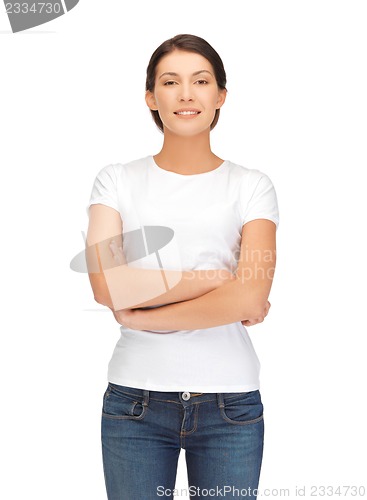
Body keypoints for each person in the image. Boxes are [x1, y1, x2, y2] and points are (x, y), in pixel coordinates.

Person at [85, 33, 279, 500]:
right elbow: (108, 284)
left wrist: (142, 314)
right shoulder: (116, 181)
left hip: (230, 404)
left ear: (221, 95)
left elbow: (250, 296)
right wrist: (215, 282)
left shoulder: (251, 186)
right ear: (152, 96)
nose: (186, 94)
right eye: (170, 82)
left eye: (201, 81)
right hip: (135, 403)